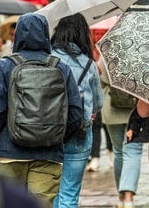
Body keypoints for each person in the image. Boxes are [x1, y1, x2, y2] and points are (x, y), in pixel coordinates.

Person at [0, 13, 83, 208]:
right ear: (45, 34)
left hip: (10, 152)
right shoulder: (62, 68)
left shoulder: (4, 66)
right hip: (49, 154)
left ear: (17, 34)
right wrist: (55, 136)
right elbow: (76, 113)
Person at [51, 13, 104, 207]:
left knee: (52, 190)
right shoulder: (89, 64)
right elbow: (98, 104)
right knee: (70, 193)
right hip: (79, 131)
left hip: (49, 131)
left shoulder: (49, 59)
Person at [99, 60, 143, 208]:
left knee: (118, 152)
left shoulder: (108, 54)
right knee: (133, 151)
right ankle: (129, 199)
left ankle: (121, 196)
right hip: (137, 110)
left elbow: (101, 78)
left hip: (112, 108)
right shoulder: (142, 55)